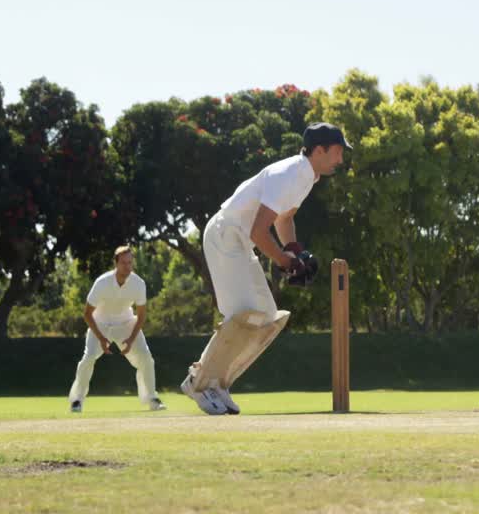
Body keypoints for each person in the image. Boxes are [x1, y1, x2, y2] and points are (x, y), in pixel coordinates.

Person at [181, 123, 350, 415]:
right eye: (337, 152)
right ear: (319, 150)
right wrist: (285, 262)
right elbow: (260, 231)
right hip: (226, 235)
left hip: (240, 241)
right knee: (243, 315)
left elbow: (283, 221)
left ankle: (218, 383)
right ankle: (198, 382)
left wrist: (294, 250)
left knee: (267, 318)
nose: (341, 159)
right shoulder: (290, 174)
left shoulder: (306, 177)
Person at [68, 245, 164, 413]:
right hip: (100, 324)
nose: (127, 267)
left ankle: (152, 399)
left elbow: (141, 316)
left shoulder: (138, 283)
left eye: (130, 263)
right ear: (116, 264)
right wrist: (100, 337)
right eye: (124, 263)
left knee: (146, 357)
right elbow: (87, 314)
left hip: (126, 323)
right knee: (89, 357)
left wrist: (131, 339)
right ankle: (77, 401)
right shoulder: (102, 283)